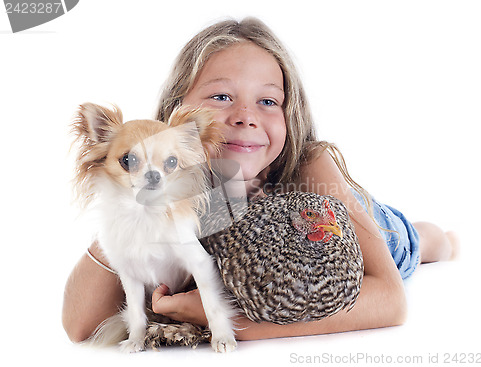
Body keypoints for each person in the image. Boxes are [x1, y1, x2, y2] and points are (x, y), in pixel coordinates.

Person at [62, 18, 458, 343]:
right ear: (177, 116)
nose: (246, 116)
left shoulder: (309, 165)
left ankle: (437, 237)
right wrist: (129, 196)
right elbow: (79, 324)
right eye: (220, 97)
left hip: (371, 235)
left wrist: (220, 319)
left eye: (268, 101)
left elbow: (391, 301)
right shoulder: (181, 191)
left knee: (418, 241)